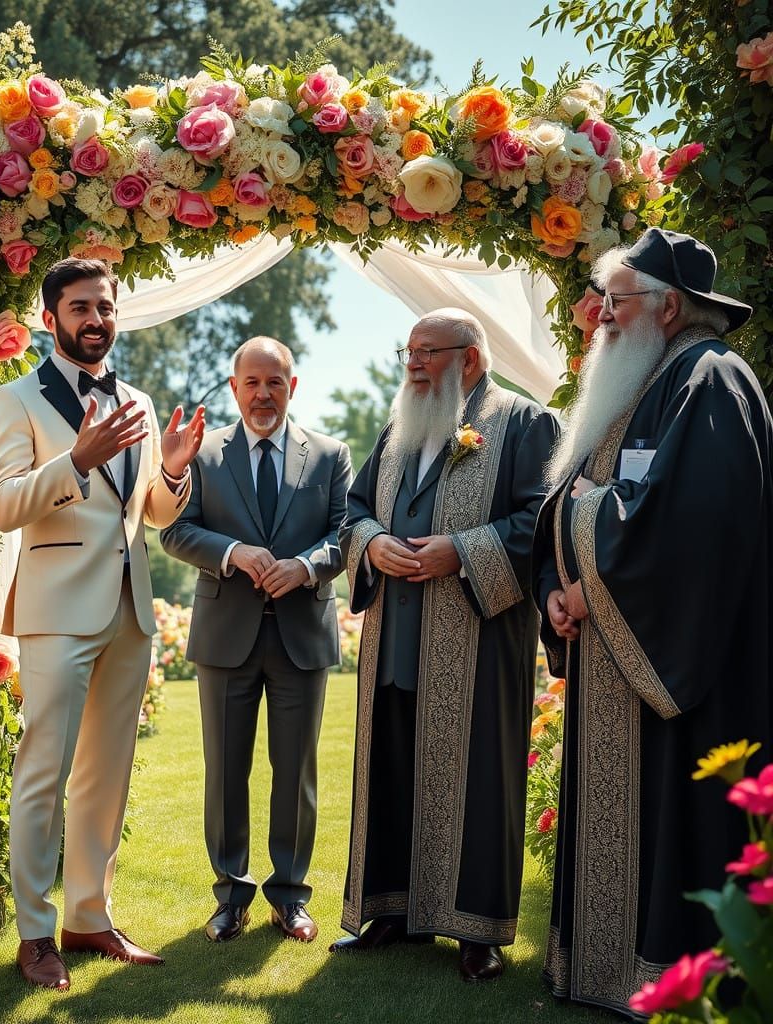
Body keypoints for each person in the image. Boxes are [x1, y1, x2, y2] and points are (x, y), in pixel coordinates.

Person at [534, 227, 773, 1017]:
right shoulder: (640, 381)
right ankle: (600, 970)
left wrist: (588, 557)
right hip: (611, 647)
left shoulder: (713, 379)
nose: (600, 316)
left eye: (617, 300)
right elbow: (573, 504)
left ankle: (668, 981)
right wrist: (559, 593)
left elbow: (690, 528)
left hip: (687, 673)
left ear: (670, 308)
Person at [0, 257, 205, 991]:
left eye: (105, 307)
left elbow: (149, 510)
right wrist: (74, 460)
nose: (96, 320)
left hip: (128, 609)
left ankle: (89, 914)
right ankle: (35, 933)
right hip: (54, 609)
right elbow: (3, 505)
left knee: (106, 776)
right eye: (80, 308)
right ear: (51, 319)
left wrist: (171, 471)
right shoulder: (16, 400)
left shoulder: (136, 399)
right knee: (42, 774)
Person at [331, 308, 558, 981]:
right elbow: (354, 508)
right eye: (410, 351)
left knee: (477, 780)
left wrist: (458, 553)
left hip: (476, 642)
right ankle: (395, 912)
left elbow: (539, 521)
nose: (413, 363)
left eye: (427, 352)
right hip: (394, 641)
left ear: (471, 359)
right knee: (394, 768)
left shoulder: (524, 423)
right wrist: (373, 542)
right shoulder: (401, 427)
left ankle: (477, 931)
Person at [160, 337, 352, 945]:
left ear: (292, 387)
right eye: (252, 383)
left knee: (295, 772)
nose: (263, 394)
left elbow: (348, 531)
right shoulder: (203, 453)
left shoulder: (329, 454)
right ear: (235, 386)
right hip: (225, 636)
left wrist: (307, 567)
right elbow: (174, 531)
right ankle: (230, 895)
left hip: (302, 634)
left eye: (275, 382)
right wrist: (233, 553)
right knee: (224, 772)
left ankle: (290, 898)